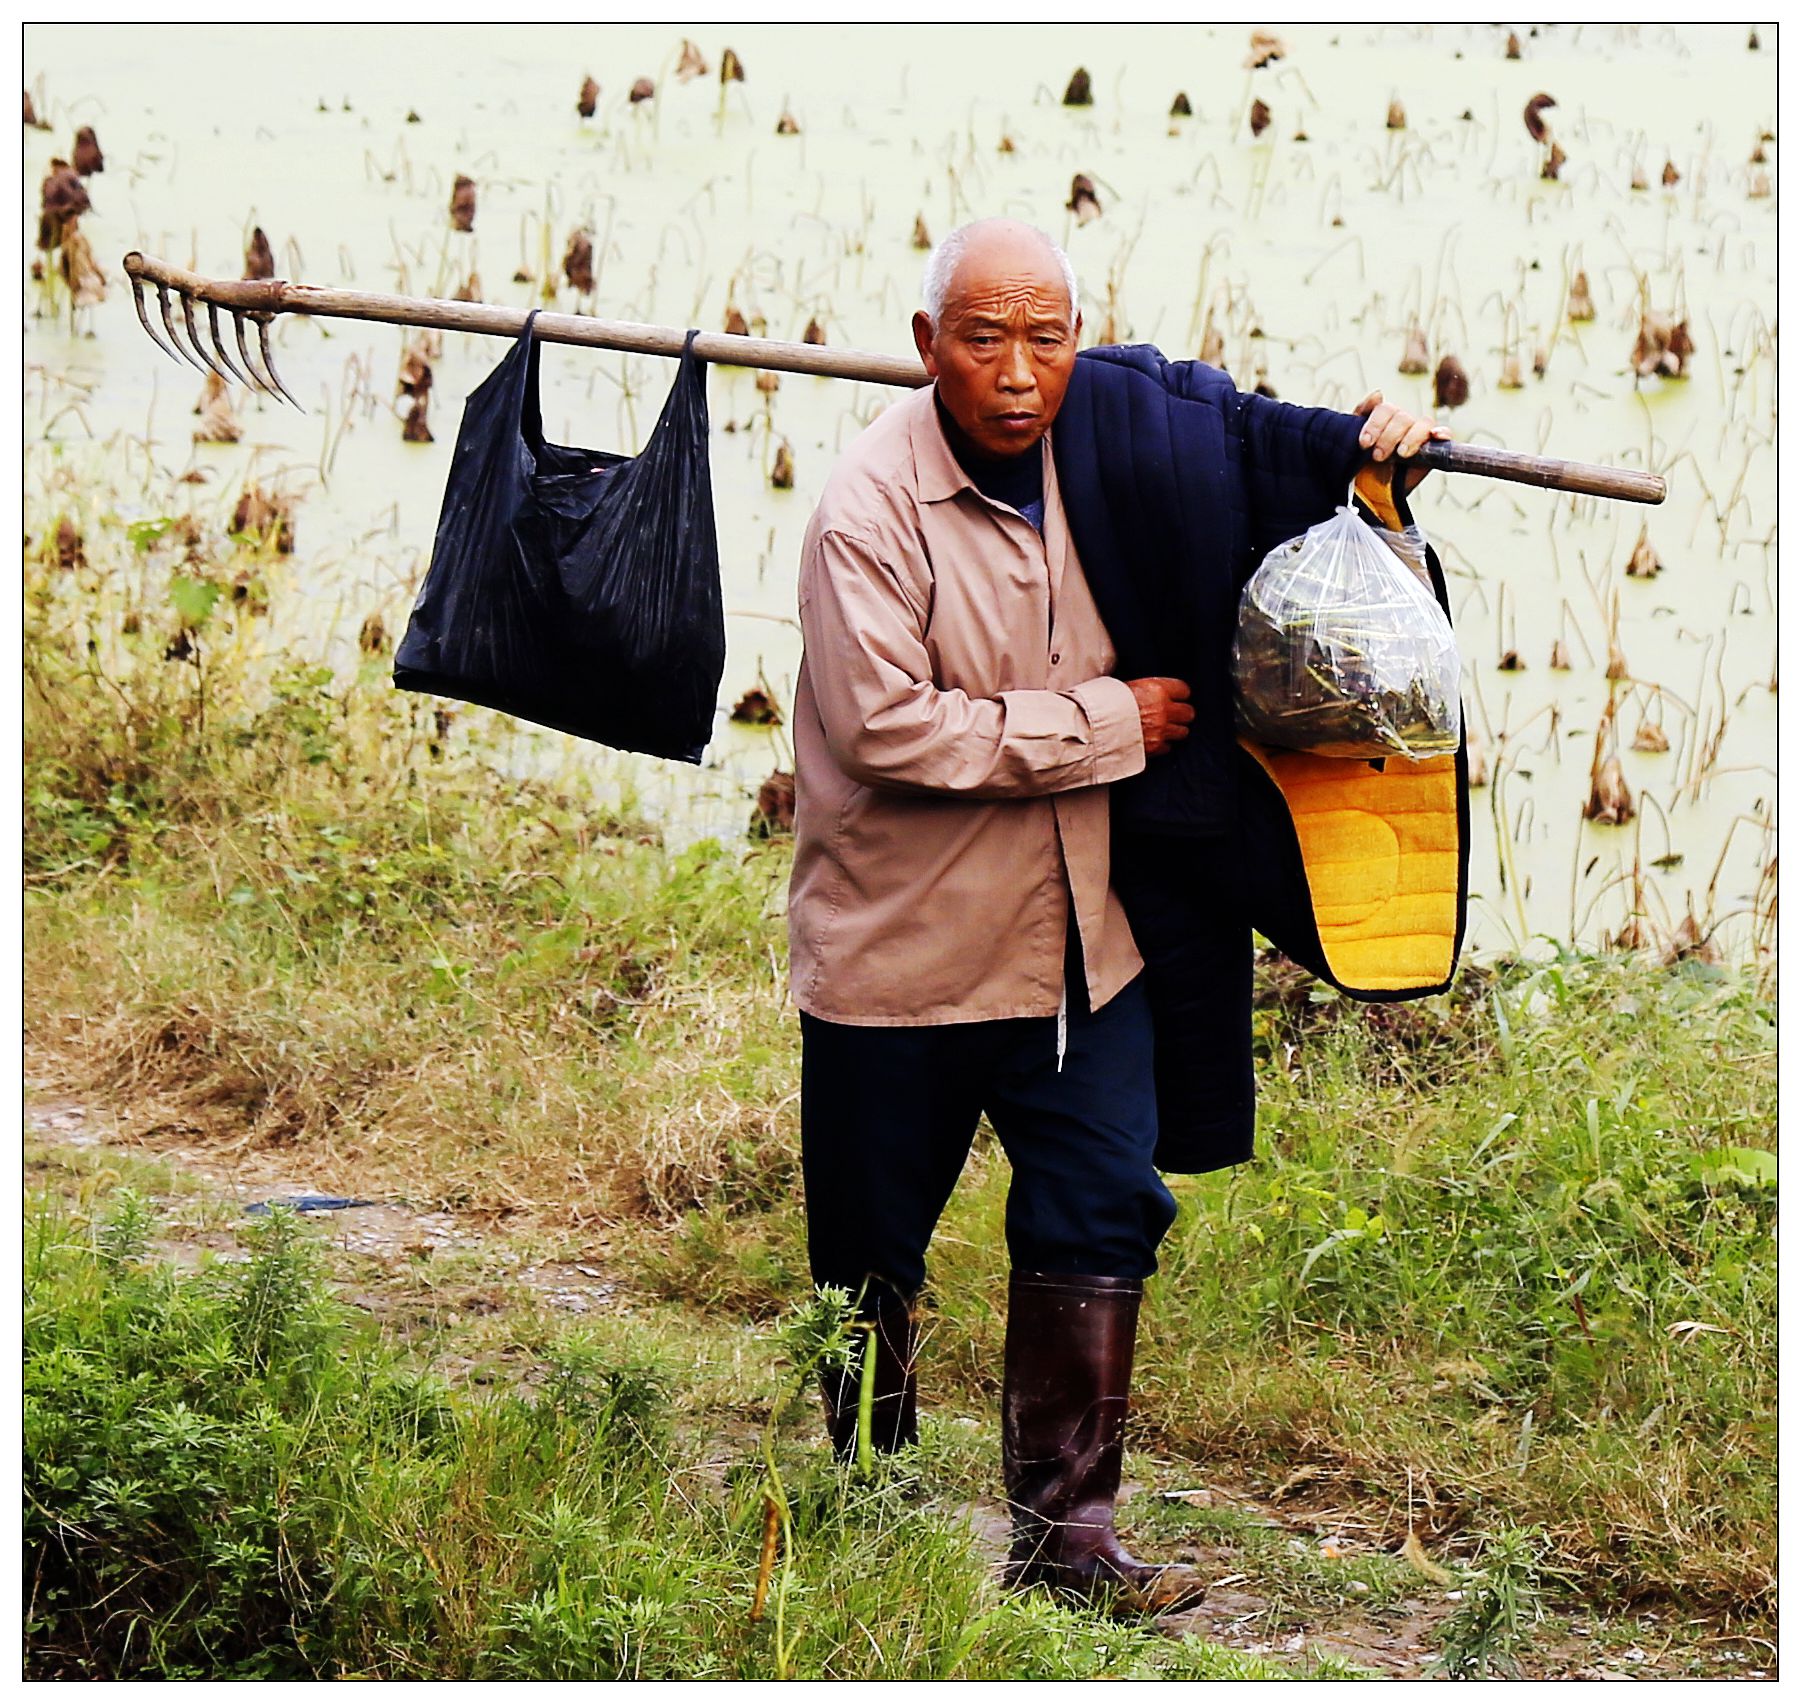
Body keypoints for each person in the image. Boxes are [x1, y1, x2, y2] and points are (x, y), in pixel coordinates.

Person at [787, 217, 1443, 1615]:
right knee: (867, 1247)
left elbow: (1247, 444)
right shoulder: (866, 509)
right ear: (927, 347)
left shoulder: (1119, 453)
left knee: (1101, 1206)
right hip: (902, 951)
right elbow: (884, 726)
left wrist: (1365, 446)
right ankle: (866, 1502)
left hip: (1082, 943)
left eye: (1046, 337)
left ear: (1078, 342)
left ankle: (1066, 1542)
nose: (1019, 372)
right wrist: (1108, 723)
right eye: (984, 339)